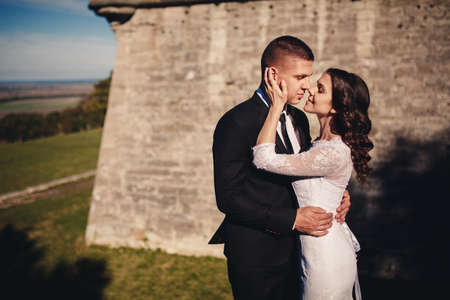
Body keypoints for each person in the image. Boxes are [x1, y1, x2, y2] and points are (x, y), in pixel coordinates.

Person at [209, 36, 351, 300]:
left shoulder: (297, 117)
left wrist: (336, 193)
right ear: (273, 74)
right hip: (258, 256)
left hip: (302, 251)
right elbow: (228, 198)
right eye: (300, 77)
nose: (307, 87)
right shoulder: (235, 122)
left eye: (309, 77)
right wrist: (292, 219)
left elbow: (304, 169)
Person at [253, 67, 373, 299]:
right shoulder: (319, 144)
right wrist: (340, 194)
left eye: (320, 89)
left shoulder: (331, 152)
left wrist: (276, 106)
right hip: (316, 249)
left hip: (325, 257)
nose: (310, 90)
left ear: (336, 106)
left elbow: (262, 158)